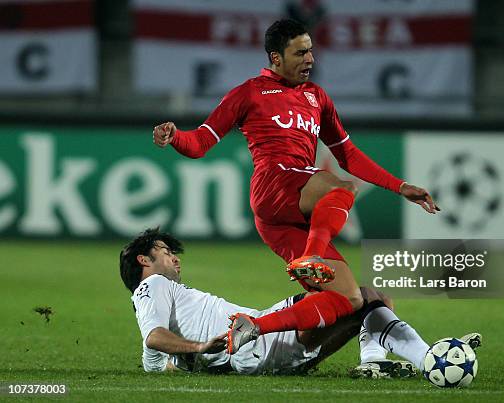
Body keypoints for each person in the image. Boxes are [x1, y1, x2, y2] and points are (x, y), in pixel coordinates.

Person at [152, 19, 442, 375]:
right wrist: (175, 136)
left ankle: (280, 334)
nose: (310, 59)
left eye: (311, 50)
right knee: (341, 187)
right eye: (300, 52)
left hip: (286, 221)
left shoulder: (317, 97)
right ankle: (313, 254)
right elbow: (201, 142)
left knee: (356, 298)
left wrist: (399, 186)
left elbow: (347, 153)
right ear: (276, 57)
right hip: (274, 185)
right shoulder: (249, 93)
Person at [119, 228, 421, 376]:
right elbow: (154, 337)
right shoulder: (154, 284)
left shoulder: (156, 300)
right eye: (165, 252)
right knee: (355, 297)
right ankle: (390, 359)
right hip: (257, 344)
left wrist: (191, 362)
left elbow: (154, 362)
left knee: (369, 300)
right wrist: (198, 349)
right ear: (144, 260)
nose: (174, 258)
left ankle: (373, 363)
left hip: (260, 353)